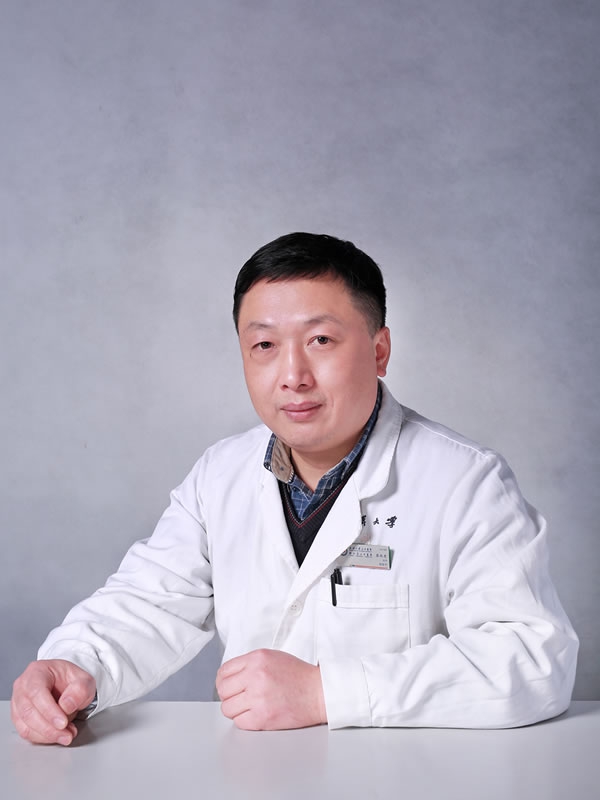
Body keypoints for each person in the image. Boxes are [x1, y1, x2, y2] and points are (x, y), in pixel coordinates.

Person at [12, 232, 578, 744]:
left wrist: (325, 693)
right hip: (252, 774)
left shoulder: (464, 481)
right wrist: (75, 665)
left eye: (321, 340)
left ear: (380, 350)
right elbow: (149, 603)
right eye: (264, 346)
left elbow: (532, 659)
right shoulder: (221, 475)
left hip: (403, 777)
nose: (292, 376)